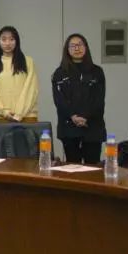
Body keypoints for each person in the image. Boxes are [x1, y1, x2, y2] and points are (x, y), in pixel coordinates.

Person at [52, 34, 106, 164]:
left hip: (92, 127)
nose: (77, 48)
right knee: (72, 167)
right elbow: (59, 100)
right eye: (73, 46)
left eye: (80, 44)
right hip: (69, 127)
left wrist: (86, 116)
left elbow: (99, 99)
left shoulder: (97, 71)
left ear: (86, 47)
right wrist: (72, 116)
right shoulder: (60, 73)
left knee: (92, 168)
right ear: (67, 50)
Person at [0, 26, 39, 122]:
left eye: (11, 39)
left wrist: (19, 113)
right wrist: (4, 111)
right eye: (4, 39)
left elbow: (31, 89)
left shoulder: (28, 62)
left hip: (27, 115)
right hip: (2, 116)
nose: (7, 43)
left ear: (17, 41)